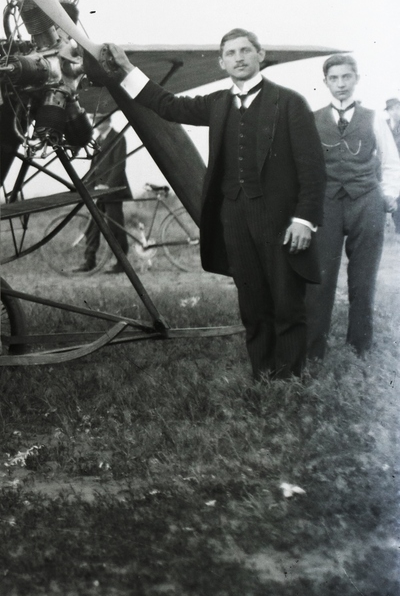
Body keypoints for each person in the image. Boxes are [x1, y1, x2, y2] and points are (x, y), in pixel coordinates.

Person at [102, 31, 324, 380]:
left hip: (279, 219)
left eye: (245, 51)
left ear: (260, 55)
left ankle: (290, 381)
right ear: (221, 62)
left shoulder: (290, 103)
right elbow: (167, 105)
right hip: (233, 217)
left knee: (286, 302)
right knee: (252, 305)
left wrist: (304, 220)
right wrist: (127, 69)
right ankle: (264, 378)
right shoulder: (217, 103)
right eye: (230, 53)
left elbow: (312, 169)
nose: (238, 58)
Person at [305, 55, 399, 360]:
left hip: (366, 203)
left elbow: (391, 162)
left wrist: (387, 197)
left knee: (363, 277)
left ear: (356, 79)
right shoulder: (313, 118)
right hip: (327, 204)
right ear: (326, 83)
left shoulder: (374, 118)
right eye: (334, 78)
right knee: (320, 277)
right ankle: (313, 349)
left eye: (346, 77)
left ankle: (359, 347)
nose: (341, 84)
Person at [74, 119, 129, 274]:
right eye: (95, 121)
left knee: (115, 226)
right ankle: (89, 261)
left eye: (99, 120)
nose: (96, 123)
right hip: (98, 191)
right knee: (92, 226)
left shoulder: (118, 137)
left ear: (108, 121)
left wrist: (109, 186)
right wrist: (87, 187)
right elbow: (94, 167)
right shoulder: (97, 140)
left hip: (113, 190)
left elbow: (119, 165)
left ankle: (121, 263)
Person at [388, 98, 400, 236]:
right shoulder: (384, 125)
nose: (396, 112)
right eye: (392, 109)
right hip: (389, 167)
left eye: (398, 108)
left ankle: (398, 229)